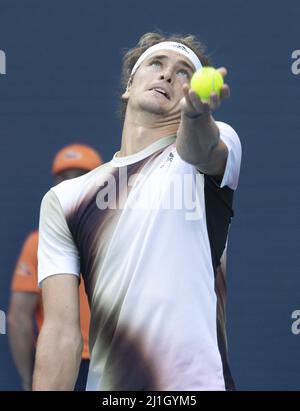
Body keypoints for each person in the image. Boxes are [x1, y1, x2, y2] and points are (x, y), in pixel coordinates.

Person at [33, 32, 242, 391]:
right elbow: (61, 334)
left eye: (183, 74)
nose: (166, 76)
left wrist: (195, 118)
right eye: (157, 64)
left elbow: (201, 148)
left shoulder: (213, 145)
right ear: (129, 86)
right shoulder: (66, 198)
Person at [8, 143, 103, 391]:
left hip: (118, 359)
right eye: (65, 177)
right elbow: (17, 318)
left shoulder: (123, 235)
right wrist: (30, 377)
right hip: (66, 363)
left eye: (82, 176)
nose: (71, 184)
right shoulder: (37, 242)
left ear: (101, 181)